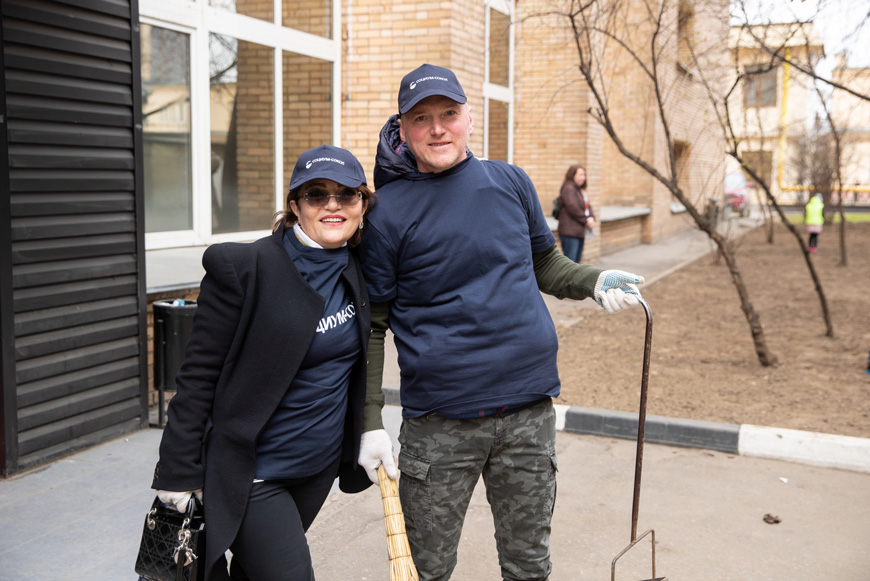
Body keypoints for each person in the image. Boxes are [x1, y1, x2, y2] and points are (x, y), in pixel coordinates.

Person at [355, 63, 645, 581]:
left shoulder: (510, 182)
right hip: (441, 427)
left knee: (529, 565)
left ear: (469, 118)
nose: (438, 128)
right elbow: (372, 325)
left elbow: (545, 263)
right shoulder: (386, 212)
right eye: (422, 118)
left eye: (449, 113)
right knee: (427, 569)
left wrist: (593, 281)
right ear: (402, 129)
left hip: (528, 417)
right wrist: (371, 417)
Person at [149, 145, 378, 581]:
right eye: (316, 194)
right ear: (294, 207)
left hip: (317, 469)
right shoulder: (245, 268)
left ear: (362, 205)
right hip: (255, 475)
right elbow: (197, 377)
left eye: (346, 194)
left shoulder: (358, 265)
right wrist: (176, 472)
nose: (332, 204)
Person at [557, 164, 595, 263]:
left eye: (584, 175)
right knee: (571, 263)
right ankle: (568, 280)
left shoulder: (579, 190)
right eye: (580, 175)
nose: (583, 178)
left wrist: (591, 217)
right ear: (572, 175)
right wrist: (586, 219)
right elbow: (572, 207)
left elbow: (587, 206)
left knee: (576, 263)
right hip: (569, 232)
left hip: (578, 231)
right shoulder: (568, 188)